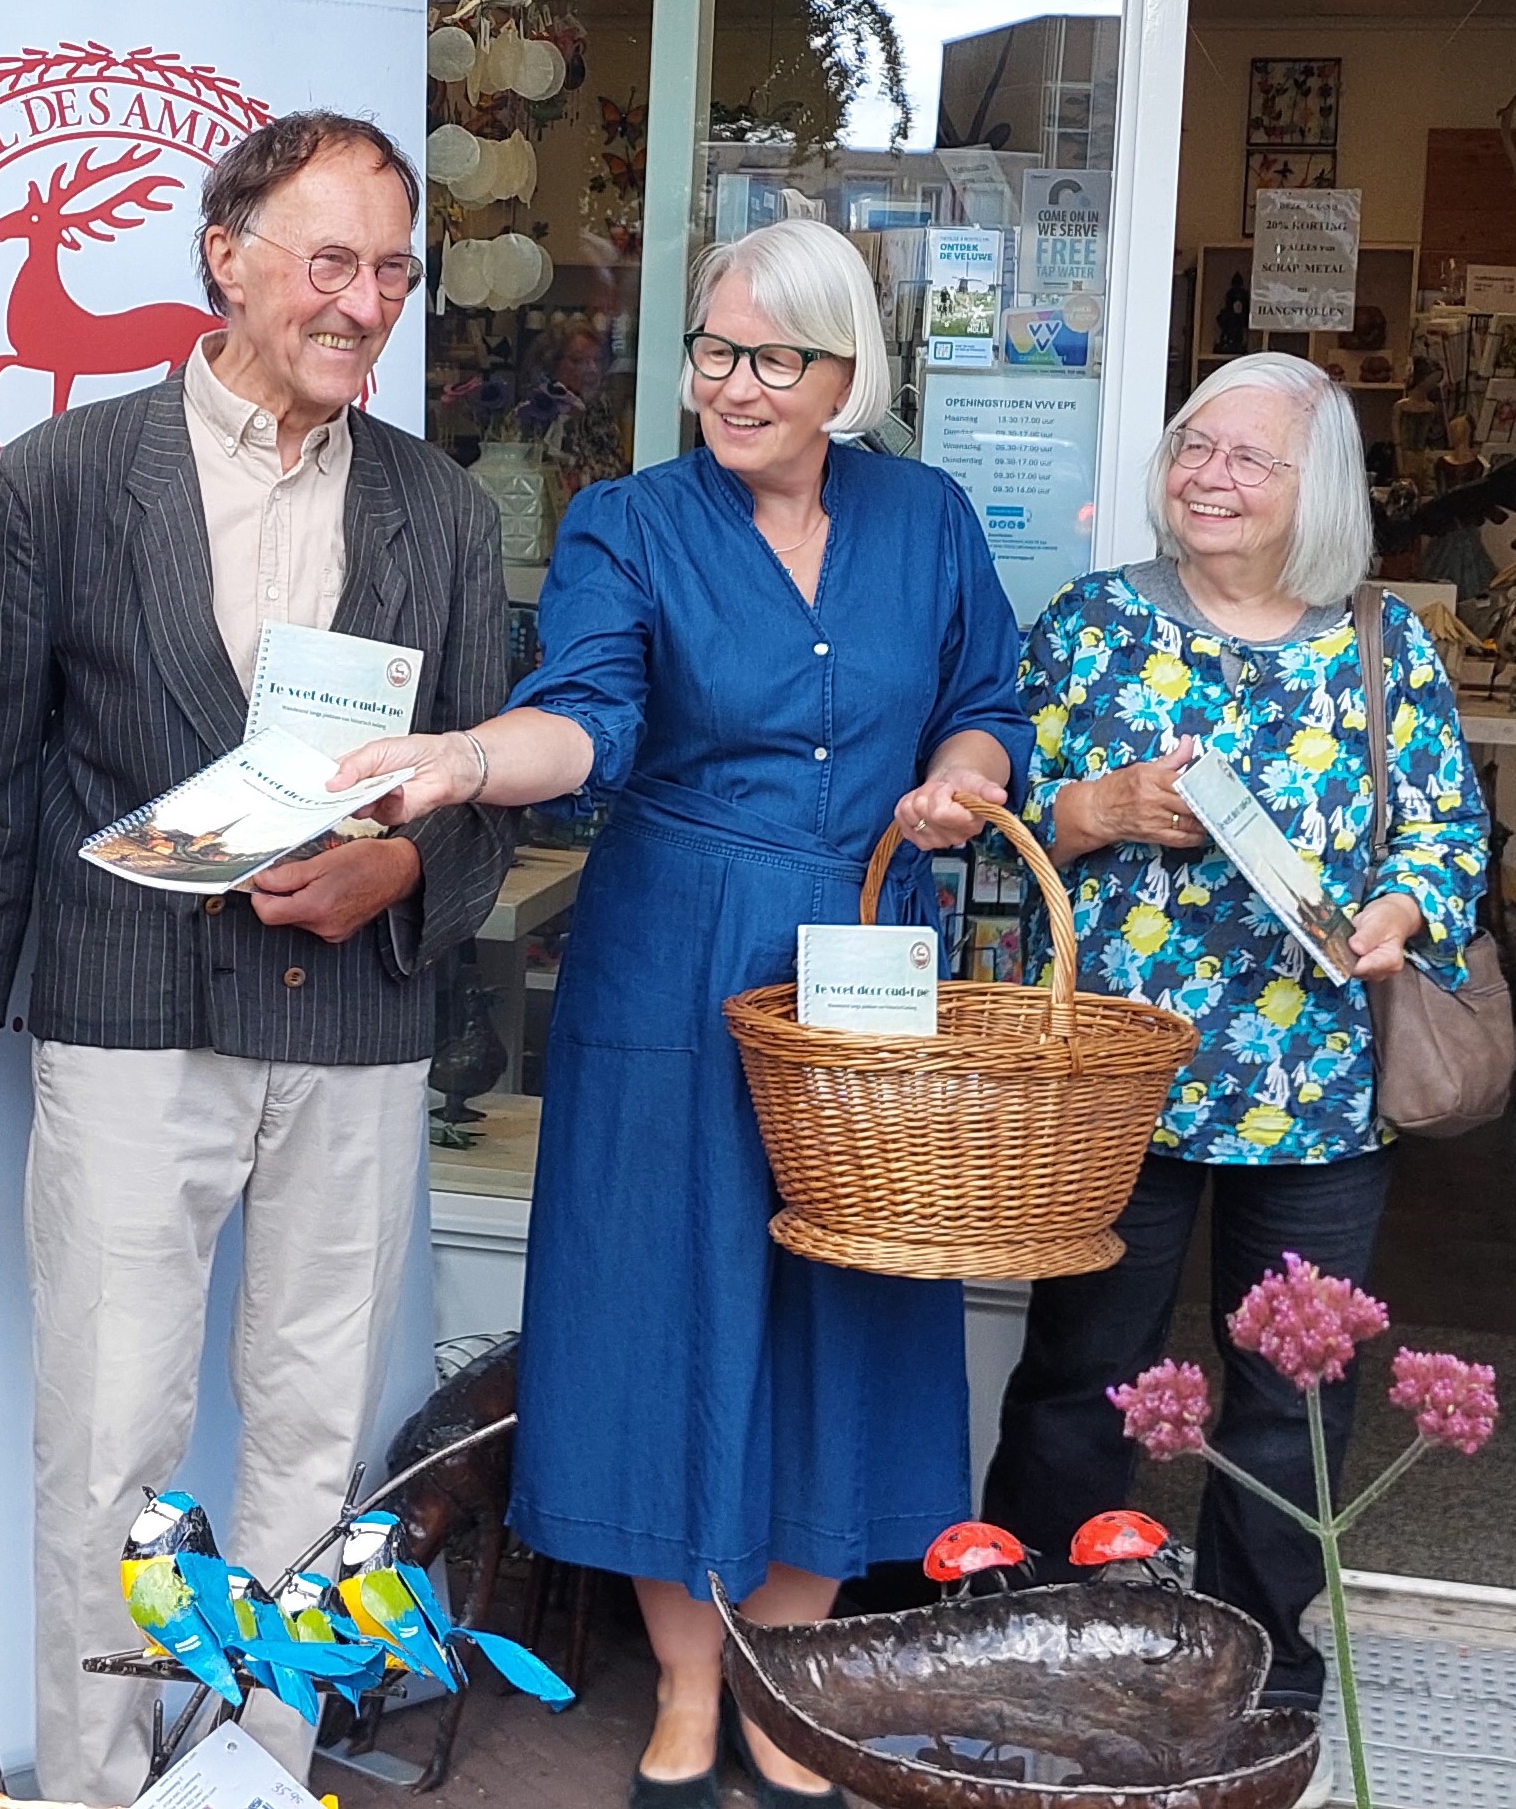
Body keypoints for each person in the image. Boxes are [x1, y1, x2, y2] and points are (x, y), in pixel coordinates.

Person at [333, 217, 1032, 1809]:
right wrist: (466, 760)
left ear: (845, 373)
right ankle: (689, 1685)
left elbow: (985, 704)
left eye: (773, 358)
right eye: (714, 351)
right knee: (662, 1304)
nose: (733, 384)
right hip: (674, 956)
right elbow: (587, 716)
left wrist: (961, 779)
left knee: (847, 1302)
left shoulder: (927, 518)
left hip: (865, 949)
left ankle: (786, 1677)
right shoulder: (628, 524)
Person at [0, 113, 514, 1802]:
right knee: (110, 1451)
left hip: (356, 1036)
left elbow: (483, 782)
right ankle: (98, 1791)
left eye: (394, 272)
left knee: (314, 1453)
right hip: (131, 1015)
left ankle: (254, 1777)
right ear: (225, 258)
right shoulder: (67, 478)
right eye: (331, 262)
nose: (365, 303)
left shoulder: (446, 513)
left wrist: (405, 867)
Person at [980, 348, 1491, 1716]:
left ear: (1314, 490)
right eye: (1195, 447)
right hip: (1115, 1079)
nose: (1210, 476)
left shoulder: (1382, 643)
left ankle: (1260, 1654)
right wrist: (1100, 809)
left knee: (1292, 1392)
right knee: (1083, 1371)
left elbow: (1448, 834)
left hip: (1315, 1088)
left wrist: (1400, 910)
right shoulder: (1091, 624)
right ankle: (1037, 1626)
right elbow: (998, 822)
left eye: (1249, 457)